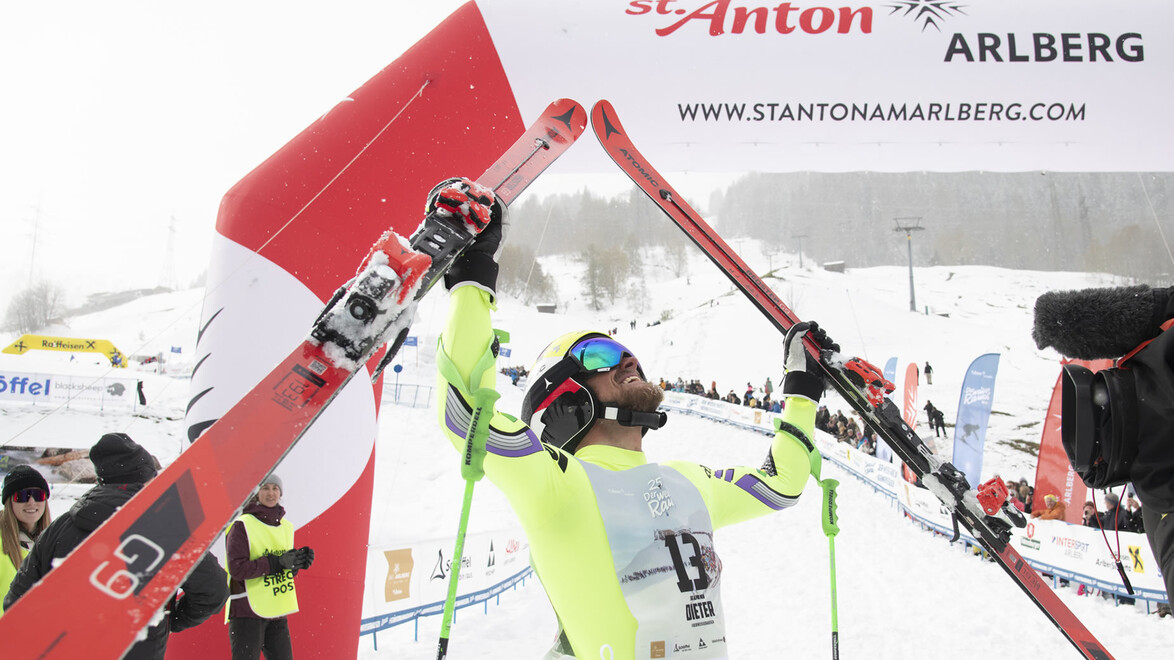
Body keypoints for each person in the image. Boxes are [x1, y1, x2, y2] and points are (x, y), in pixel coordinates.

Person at [428, 178, 830, 658]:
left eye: (631, 354)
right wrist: (472, 273)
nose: (630, 361)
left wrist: (802, 388)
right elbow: (465, 410)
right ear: (564, 402)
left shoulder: (689, 482)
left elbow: (781, 483)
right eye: (600, 354)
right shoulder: (556, 482)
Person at [3, 433, 227, 657]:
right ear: (144, 478)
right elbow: (213, 590)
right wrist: (170, 620)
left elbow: (16, 603)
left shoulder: (59, 528)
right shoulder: (166, 527)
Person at [225, 474, 315, 660]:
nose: (271, 493)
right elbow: (237, 569)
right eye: (265, 488)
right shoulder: (242, 525)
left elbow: (281, 567)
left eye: (275, 488)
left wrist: (296, 563)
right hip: (246, 609)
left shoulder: (286, 527)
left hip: (276, 607)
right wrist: (276, 563)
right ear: (256, 492)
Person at [0, 466, 52, 613]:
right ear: (9, 502)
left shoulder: (55, 540)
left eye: (38, 494)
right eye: (22, 496)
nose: (31, 502)